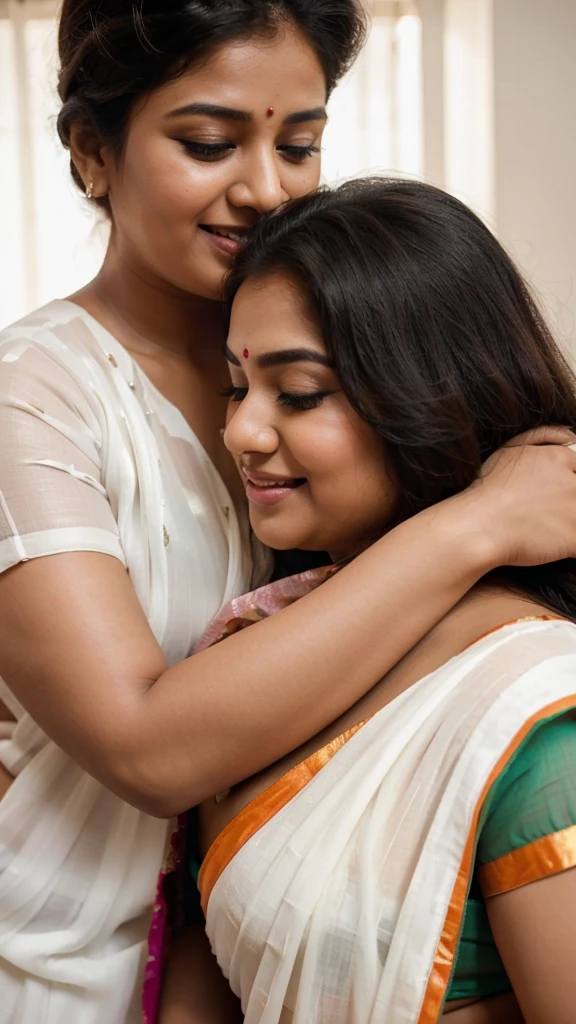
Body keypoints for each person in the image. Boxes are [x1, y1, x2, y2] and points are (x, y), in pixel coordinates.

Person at [0, 1, 575, 1020]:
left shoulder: (338, 335)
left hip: (249, 945)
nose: (266, 189)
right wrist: (473, 526)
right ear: (94, 154)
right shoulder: (31, 399)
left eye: (300, 143)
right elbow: (149, 748)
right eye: (210, 142)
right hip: (59, 971)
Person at [157, 178, 576, 1024]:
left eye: (300, 392)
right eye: (239, 387)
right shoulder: (257, 643)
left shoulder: (533, 707)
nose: (243, 431)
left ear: (433, 392)